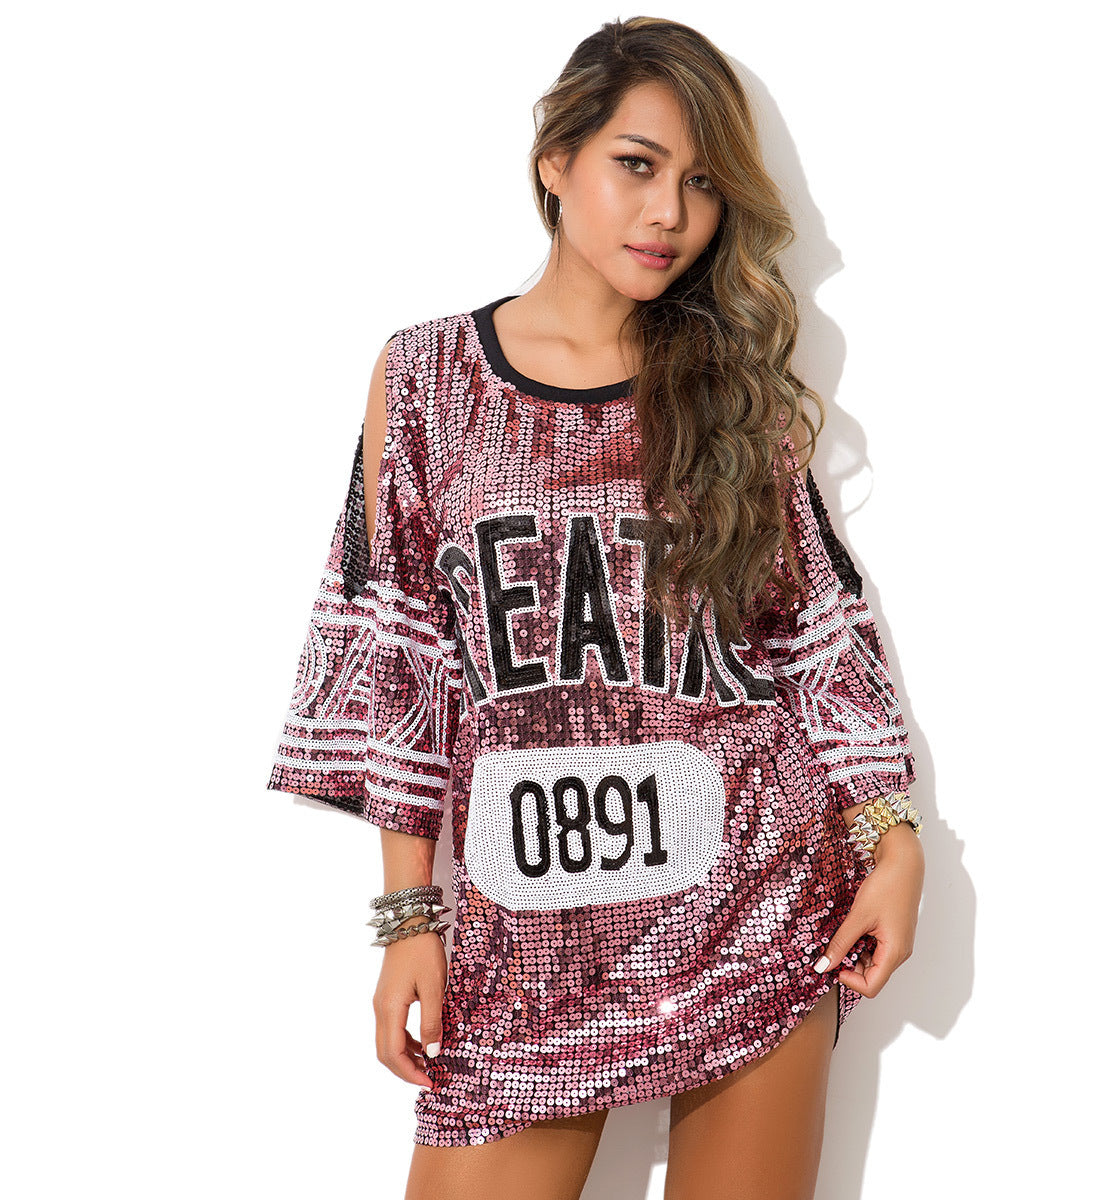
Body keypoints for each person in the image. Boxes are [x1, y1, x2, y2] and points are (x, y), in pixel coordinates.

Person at [266, 16, 924, 1200]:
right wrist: (409, 916)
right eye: (637, 164)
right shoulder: (426, 379)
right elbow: (400, 656)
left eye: (703, 184)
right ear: (555, 161)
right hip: (528, 939)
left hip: (749, 904)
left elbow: (816, 623)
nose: (669, 212)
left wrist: (893, 835)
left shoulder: (730, 392)